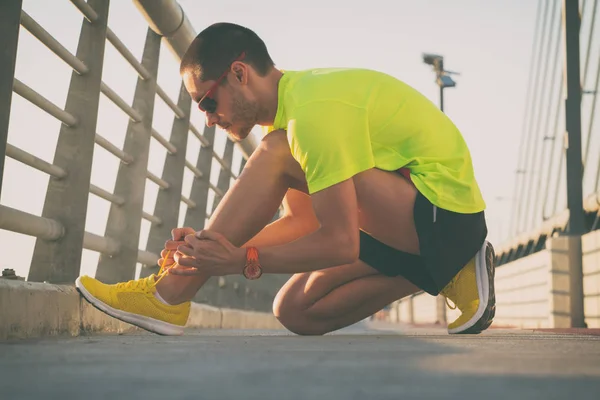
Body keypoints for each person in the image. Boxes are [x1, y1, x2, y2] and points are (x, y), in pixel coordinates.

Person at [75, 22, 495, 337]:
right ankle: (444, 273)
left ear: (239, 73)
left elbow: (341, 242)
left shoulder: (308, 117)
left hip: (446, 214)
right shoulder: (290, 119)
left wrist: (240, 261)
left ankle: (166, 297)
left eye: (207, 101)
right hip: (408, 227)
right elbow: (302, 224)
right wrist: (208, 251)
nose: (207, 119)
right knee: (293, 311)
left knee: (276, 152)